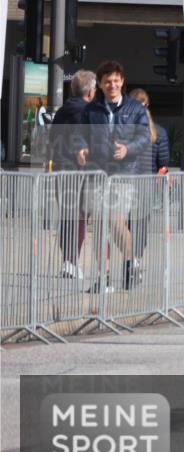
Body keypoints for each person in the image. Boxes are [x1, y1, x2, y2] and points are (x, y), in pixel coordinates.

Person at [75, 61, 151, 291]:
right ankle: (103, 277)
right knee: (98, 225)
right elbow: (80, 135)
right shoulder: (91, 110)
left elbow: (144, 137)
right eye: (107, 81)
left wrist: (128, 149)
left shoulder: (135, 110)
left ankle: (130, 266)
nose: (112, 85)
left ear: (122, 82)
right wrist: (81, 148)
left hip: (123, 175)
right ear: (100, 84)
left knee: (116, 223)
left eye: (116, 80)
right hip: (97, 173)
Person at [49, 70, 97, 279]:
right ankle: (71, 262)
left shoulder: (61, 112)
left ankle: (68, 262)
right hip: (79, 170)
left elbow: (52, 139)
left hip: (61, 168)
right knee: (79, 217)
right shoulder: (86, 112)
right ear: (89, 92)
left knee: (68, 217)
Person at [128, 89, 169, 276]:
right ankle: (135, 260)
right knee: (141, 225)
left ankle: (129, 260)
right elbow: (163, 162)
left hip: (126, 183)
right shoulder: (158, 132)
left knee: (125, 225)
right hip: (146, 185)